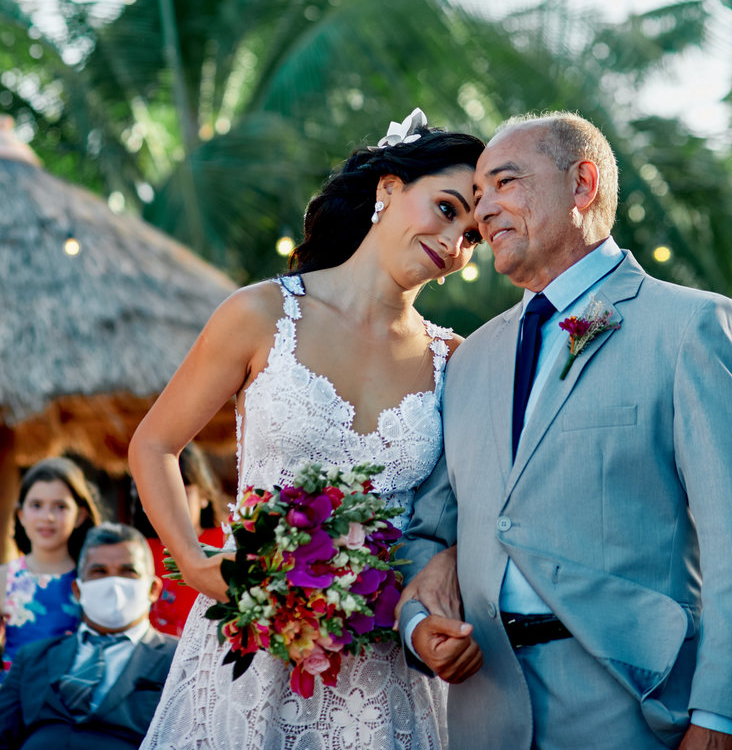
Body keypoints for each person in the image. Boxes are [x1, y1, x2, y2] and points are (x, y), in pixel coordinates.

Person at [400, 111, 732, 750]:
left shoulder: (687, 328)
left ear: (583, 184)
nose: (483, 209)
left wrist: (719, 719)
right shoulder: (466, 362)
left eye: (505, 182)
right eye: (477, 196)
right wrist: (417, 623)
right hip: (482, 706)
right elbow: (427, 528)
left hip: (632, 705)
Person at [128, 109, 485, 750]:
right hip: (254, 642)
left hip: (384, 676)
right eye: (447, 208)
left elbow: (465, 511)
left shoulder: (454, 360)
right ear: (389, 188)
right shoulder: (261, 313)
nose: (455, 243)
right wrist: (195, 562)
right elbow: (154, 445)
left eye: (473, 234)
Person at [0, 522, 178, 750]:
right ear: (77, 590)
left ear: (153, 589)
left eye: (128, 571)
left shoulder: (180, 660)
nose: (114, 584)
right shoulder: (33, 657)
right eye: (99, 571)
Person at [3, 457, 101, 672]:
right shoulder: (4, 578)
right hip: (13, 699)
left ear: (80, 515)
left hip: (71, 698)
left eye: (60, 506)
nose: (47, 517)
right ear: (21, 514)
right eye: (36, 505)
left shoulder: (91, 578)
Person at [144, 443, 226, 636]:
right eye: (160, 491)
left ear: (204, 496)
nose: (171, 500)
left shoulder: (226, 541)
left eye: (183, 491)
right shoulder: (140, 552)